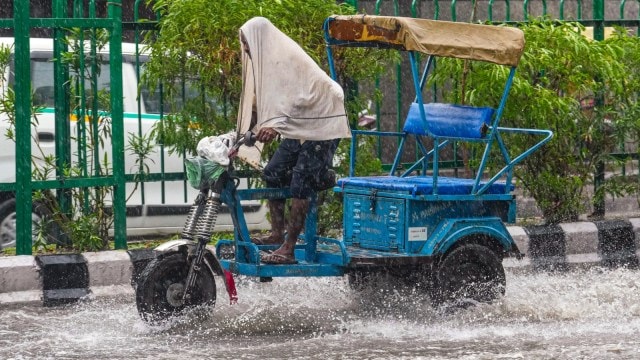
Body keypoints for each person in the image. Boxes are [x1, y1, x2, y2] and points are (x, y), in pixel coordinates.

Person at [237, 17, 351, 264]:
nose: (245, 49)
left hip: (323, 121)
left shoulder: (285, 58)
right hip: (299, 126)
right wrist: (236, 136)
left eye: (248, 43)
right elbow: (258, 105)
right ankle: (277, 234)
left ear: (259, 40)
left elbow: (296, 96)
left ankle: (288, 249)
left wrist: (275, 126)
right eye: (244, 44)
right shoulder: (264, 67)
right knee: (273, 173)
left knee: (301, 183)